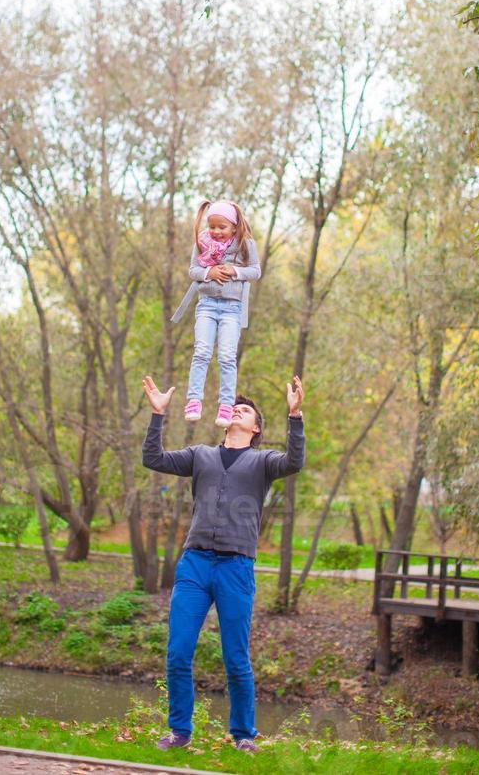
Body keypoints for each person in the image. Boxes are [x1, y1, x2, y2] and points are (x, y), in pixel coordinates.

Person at [141, 373, 305, 753]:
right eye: (234, 407)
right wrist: (157, 415)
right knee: (179, 651)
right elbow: (153, 458)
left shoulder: (264, 462)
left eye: (245, 410)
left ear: (256, 427)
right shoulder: (201, 455)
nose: (237, 411)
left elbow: (295, 461)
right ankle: (180, 732)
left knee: (236, 657)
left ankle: (243, 735)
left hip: (236, 568)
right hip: (194, 565)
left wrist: (295, 416)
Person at [171, 199, 261, 427]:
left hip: (231, 308)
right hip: (207, 305)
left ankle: (226, 405)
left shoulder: (245, 244)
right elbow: (194, 270)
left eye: (222, 227)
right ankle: (194, 400)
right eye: (212, 227)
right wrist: (209, 272)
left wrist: (234, 271)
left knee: (227, 356)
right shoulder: (202, 243)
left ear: (233, 225)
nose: (216, 232)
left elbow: (255, 271)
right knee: (201, 351)